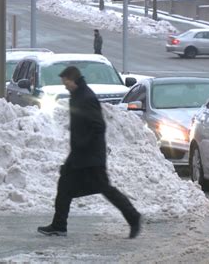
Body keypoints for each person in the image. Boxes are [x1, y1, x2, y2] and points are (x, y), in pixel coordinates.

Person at [37, 66, 141, 239]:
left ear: (74, 80)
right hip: (79, 154)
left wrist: (83, 143)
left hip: (91, 156)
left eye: (66, 82)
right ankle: (59, 225)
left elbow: (99, 126)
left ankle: (133, 217)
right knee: (64, 186)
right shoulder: (78, 96)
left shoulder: (86, 98)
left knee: (105, 188)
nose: (65, 86)